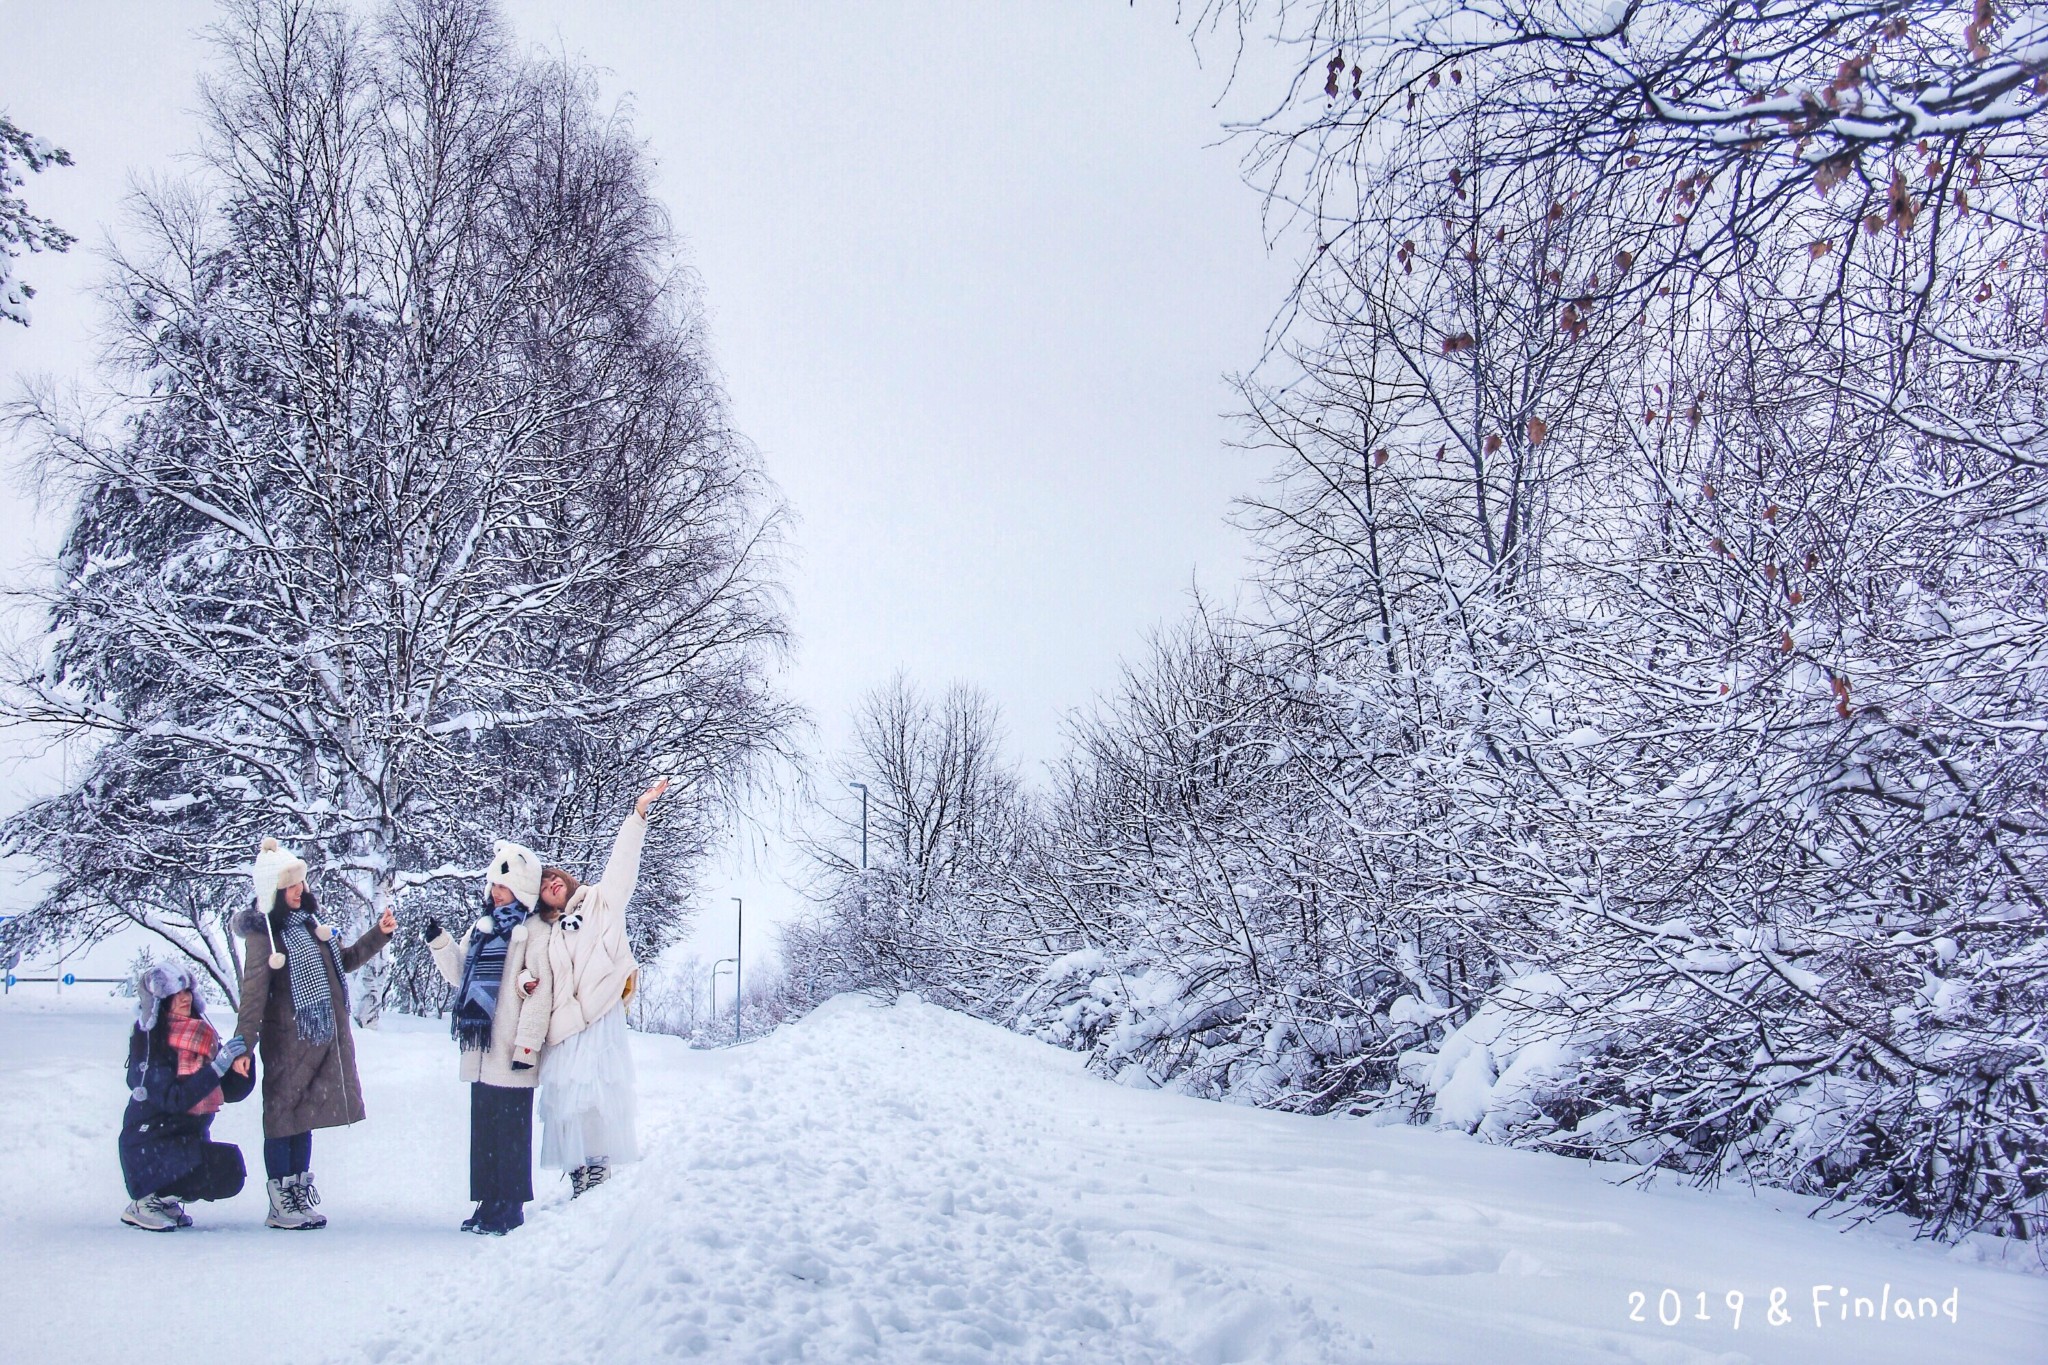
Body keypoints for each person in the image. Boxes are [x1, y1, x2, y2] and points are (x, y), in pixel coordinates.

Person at [231, 837, 396, 1230]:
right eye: (290, 885)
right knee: (282, 1117)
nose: (298, 891)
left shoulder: (312, 927)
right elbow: (253, 992)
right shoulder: (265, 937)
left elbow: (347, 960)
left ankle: (298, 1192)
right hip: (286, 1042)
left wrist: (379, 934)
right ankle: (280, 1200)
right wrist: (243, 1045)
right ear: (273, 889)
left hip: (319, 1040)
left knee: (304, 1116)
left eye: (300, 883)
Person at [536, 778, 667, 1197]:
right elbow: (535, 970)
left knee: (594, 1092)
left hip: (600, 1014)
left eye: (555, 876)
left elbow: (623, 863)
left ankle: (598, 1166)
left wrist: (638, 813)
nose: (552, 883)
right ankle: (577, 1169)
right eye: (543, 885)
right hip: (566, 1022)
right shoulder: (545, 931)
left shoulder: (602, 901)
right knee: (565, 1098)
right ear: (542, 902)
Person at [426, 839, 554, 1235]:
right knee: (485, 1129)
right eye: (494, 886)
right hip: (482, 1047)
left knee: (511, 1130)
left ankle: (509, 1206)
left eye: (504, 887)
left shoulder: (533, 932)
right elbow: (458, 974)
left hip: (512, 1047)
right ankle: (486, 1202)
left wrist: (527, 1046)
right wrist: (440, 942)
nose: (496, 893)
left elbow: (540, 994)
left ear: (522, 891)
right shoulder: (481, 930)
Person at [119, 963, 254, 1231]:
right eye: (175, 993)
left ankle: (166, 1197)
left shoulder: (201, 1037)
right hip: (149, 1145)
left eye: (188, 991)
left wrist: (241, 1062)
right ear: (159, 1002)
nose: (185, 998)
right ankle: (147, 1200)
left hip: (184, 1142)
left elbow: (231, 1093)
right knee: (224, 1166)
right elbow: (175, 1099)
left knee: (230, 1170)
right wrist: (217, 1068)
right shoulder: (149, 1044)